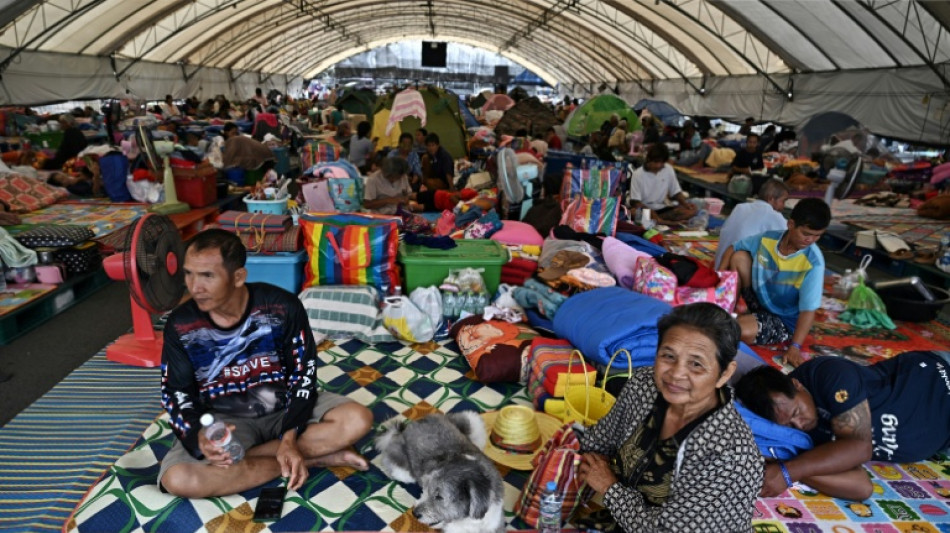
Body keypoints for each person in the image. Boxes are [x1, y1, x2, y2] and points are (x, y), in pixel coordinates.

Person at [159, 230, 373, 498]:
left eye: (207, 276)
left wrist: (290, 436)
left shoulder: (282, 307)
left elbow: (303, 375)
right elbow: (177, 394)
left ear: (238, 277)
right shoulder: (181, 324)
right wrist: (198, 438)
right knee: (179, 479)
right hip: (225, 421)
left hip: (285, 407)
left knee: (356, 419)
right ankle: (313, 458)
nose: (194, 287)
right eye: (189, 273)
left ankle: (253, 458)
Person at [577, 303, 763, 531]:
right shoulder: (644, 386)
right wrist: (574, 457)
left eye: (696, 364)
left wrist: (610, 488)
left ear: (724, 373)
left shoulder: (732, 455)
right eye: (668, 356)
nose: (676, 374)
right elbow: (600, 440)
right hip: (623, 519)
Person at [734, 350, 950, 500]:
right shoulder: (802, 435)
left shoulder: (829, 374)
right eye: (789, 424)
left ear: (796, 384)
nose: (799, 424)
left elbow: (860, 447)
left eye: (797, 412)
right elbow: (861, 487)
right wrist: (788, 466)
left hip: (939, 380)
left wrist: (788, 471)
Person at [718, 198, 830, 367]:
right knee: (739, 257)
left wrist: (795, 347)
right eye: (806, 234)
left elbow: (808, 311)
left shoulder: (814, 263)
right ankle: (728, 309)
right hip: (760, 302)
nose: (810, 240)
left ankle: (743, 320)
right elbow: (733, 247)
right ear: (791, 224)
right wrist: (718, 279)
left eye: (817, 236)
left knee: (735, 330)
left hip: (783, 320)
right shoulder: (767, 239)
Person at [714, 179, 790, 269]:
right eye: (783, 201)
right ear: (771, 199)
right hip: (736, 267)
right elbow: (789, 236)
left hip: (719, 263)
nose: (783, 206)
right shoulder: (772, 214)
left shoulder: (740, 207)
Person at [627, 144, 697, 223]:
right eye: (656, 162)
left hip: (661, 209)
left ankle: (659, 220)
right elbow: (635, 202)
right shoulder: (638, 174)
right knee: (634, 212)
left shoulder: (668, 169)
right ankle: (661, 221)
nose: (658, 165)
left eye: (662, 162)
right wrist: (651, 213)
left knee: (692, 211)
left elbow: (676, 193)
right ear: (649, 159)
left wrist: (686, 205)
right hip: (645, 209)